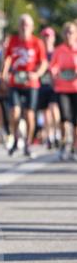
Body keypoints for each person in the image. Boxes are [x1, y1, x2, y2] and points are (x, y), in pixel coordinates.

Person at [1, 14, 47, 158]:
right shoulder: (13, 41)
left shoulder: (37, 42)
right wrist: (4, 73)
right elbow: (7, 57)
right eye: (21, 23)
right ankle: (15, 138)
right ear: (18, 26)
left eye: (27, 24)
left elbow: (43, 63)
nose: (24, 26)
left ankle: (27, 142)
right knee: (14, 112)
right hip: (15, 80)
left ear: (32, 27)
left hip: (30, 81)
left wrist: (36, 74)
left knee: (29, 114)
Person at [48, 21, 77, 160]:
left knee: (76, 121)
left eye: (71, 32)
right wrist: (54, 73)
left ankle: (75, 147)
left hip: (76, 88)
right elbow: (52, 66)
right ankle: (64, 144)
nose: (68, 35)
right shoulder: (58, 50)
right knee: (64, 119)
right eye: (66, 32)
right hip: (62, 88)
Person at [38, 26, 61, 149]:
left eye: (49, 36)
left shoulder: (56, 52)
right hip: (42, 85)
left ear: (53, 38)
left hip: (55, 86)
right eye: (45, 36)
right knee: (45, 113)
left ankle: (57, 133)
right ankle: (49, 136)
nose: (47, 39)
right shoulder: (39, 52)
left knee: (54, 109)